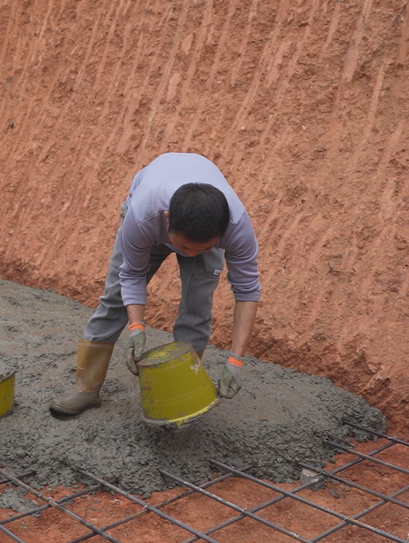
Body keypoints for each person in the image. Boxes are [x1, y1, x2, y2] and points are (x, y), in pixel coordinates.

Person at [50, 152, 260, 416]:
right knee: (115, 298)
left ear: (221, 234)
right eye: (185, 247)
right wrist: (137, 327)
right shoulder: (142, 217)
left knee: (197, 307)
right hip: (150, 217)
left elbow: (247, 292)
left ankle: (181, 393)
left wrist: (235, 361)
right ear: (168, 219)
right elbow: (132, 275)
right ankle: (86, 387)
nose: (190, 256)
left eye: (202, 249)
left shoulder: (237, 227)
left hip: (196, 226)